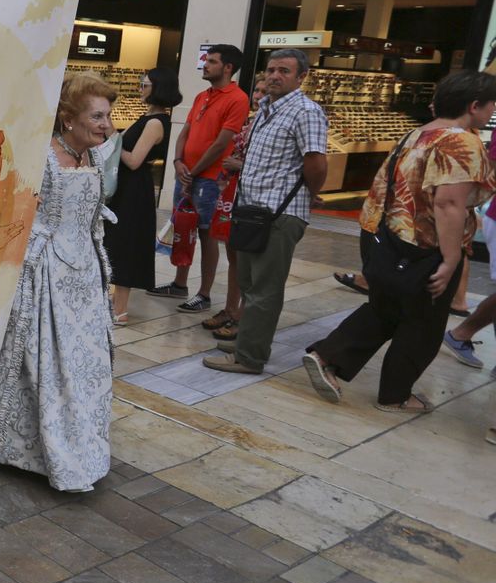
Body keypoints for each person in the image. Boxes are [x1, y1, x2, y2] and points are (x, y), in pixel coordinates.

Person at [0, 72, 116, 491]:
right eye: (97, 116)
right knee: (31, 360)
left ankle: (75, 446)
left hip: (83, 278)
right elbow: (6, 205)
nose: (106, 125)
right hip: (42, 272)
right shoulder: (42, 155)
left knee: (80, 364)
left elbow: (90, 216)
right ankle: (13, 445)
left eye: (107, 116)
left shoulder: (91, 156)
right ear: (68, 118)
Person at [299, 72, 496, 412]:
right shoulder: (462, 142)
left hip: (387, 237)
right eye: (492, 104)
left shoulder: (419, 132)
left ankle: (327, 356)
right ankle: (395, 396)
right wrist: (450, 260)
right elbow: (448, 203)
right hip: (423, 244)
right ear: (475, 105)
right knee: (423, 326)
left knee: (386, 309)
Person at [202, 49, 328, 376]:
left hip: (279, 213)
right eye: (271, 69)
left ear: (301, 77)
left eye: (284, 71)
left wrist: (310, 194)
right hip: (252, 211)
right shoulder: (265, 110)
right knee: (248, 283)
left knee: (264, 289)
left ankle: (250, 357)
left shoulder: (305, 111)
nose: (274, 76)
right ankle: (248, 339)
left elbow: (316, 163)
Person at [152, 44, 249, 313]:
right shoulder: (201, 96)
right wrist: (177, 161)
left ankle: (204, 294)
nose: (205, 65)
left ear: (227, 67)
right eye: (206, 60)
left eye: (212, 61)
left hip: (208, 178)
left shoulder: (237, 98)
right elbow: (185, 131)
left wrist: (192, 173)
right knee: (182, 225)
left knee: (207, 234)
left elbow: (221, 144)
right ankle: (179, 283)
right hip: (188, 173)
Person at [105, 69, 179, 323]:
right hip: (127, 187)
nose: (140, 88)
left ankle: (120, 309)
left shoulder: (156, 121)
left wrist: (112, 135)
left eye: (145, 84)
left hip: (135, 188)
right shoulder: (148, 117)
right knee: (116, 240)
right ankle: (114, 302)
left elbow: (134, 160)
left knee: (126, 243)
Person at [200, 74, 267, 341]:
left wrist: (241, 166)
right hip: (236, 193)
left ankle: (242, 315)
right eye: (257, 90)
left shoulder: (274, 124)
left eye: (264, 91)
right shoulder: (254, 122)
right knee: (233, 254)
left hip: (258, 202)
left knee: (248, 260)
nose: (259, 95)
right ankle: (230, 309)